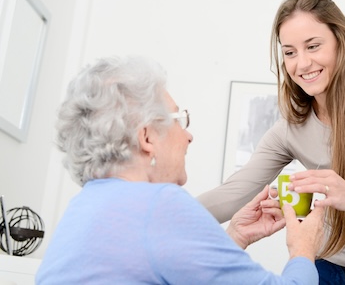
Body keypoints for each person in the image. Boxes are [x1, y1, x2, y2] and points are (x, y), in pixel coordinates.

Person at [197, 0, 345, 285]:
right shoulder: (289, 129)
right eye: (290, 52)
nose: (302, 64)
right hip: (318, 266)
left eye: (313, 46)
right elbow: (232, 194)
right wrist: (158, 215)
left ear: (340, 42)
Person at [35, 55, 325, 284]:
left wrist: (236, 236)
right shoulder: (158, 204)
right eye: (178, 119)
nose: (188, 136)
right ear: (146, 137)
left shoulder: (83, 207)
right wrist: (303, 247)